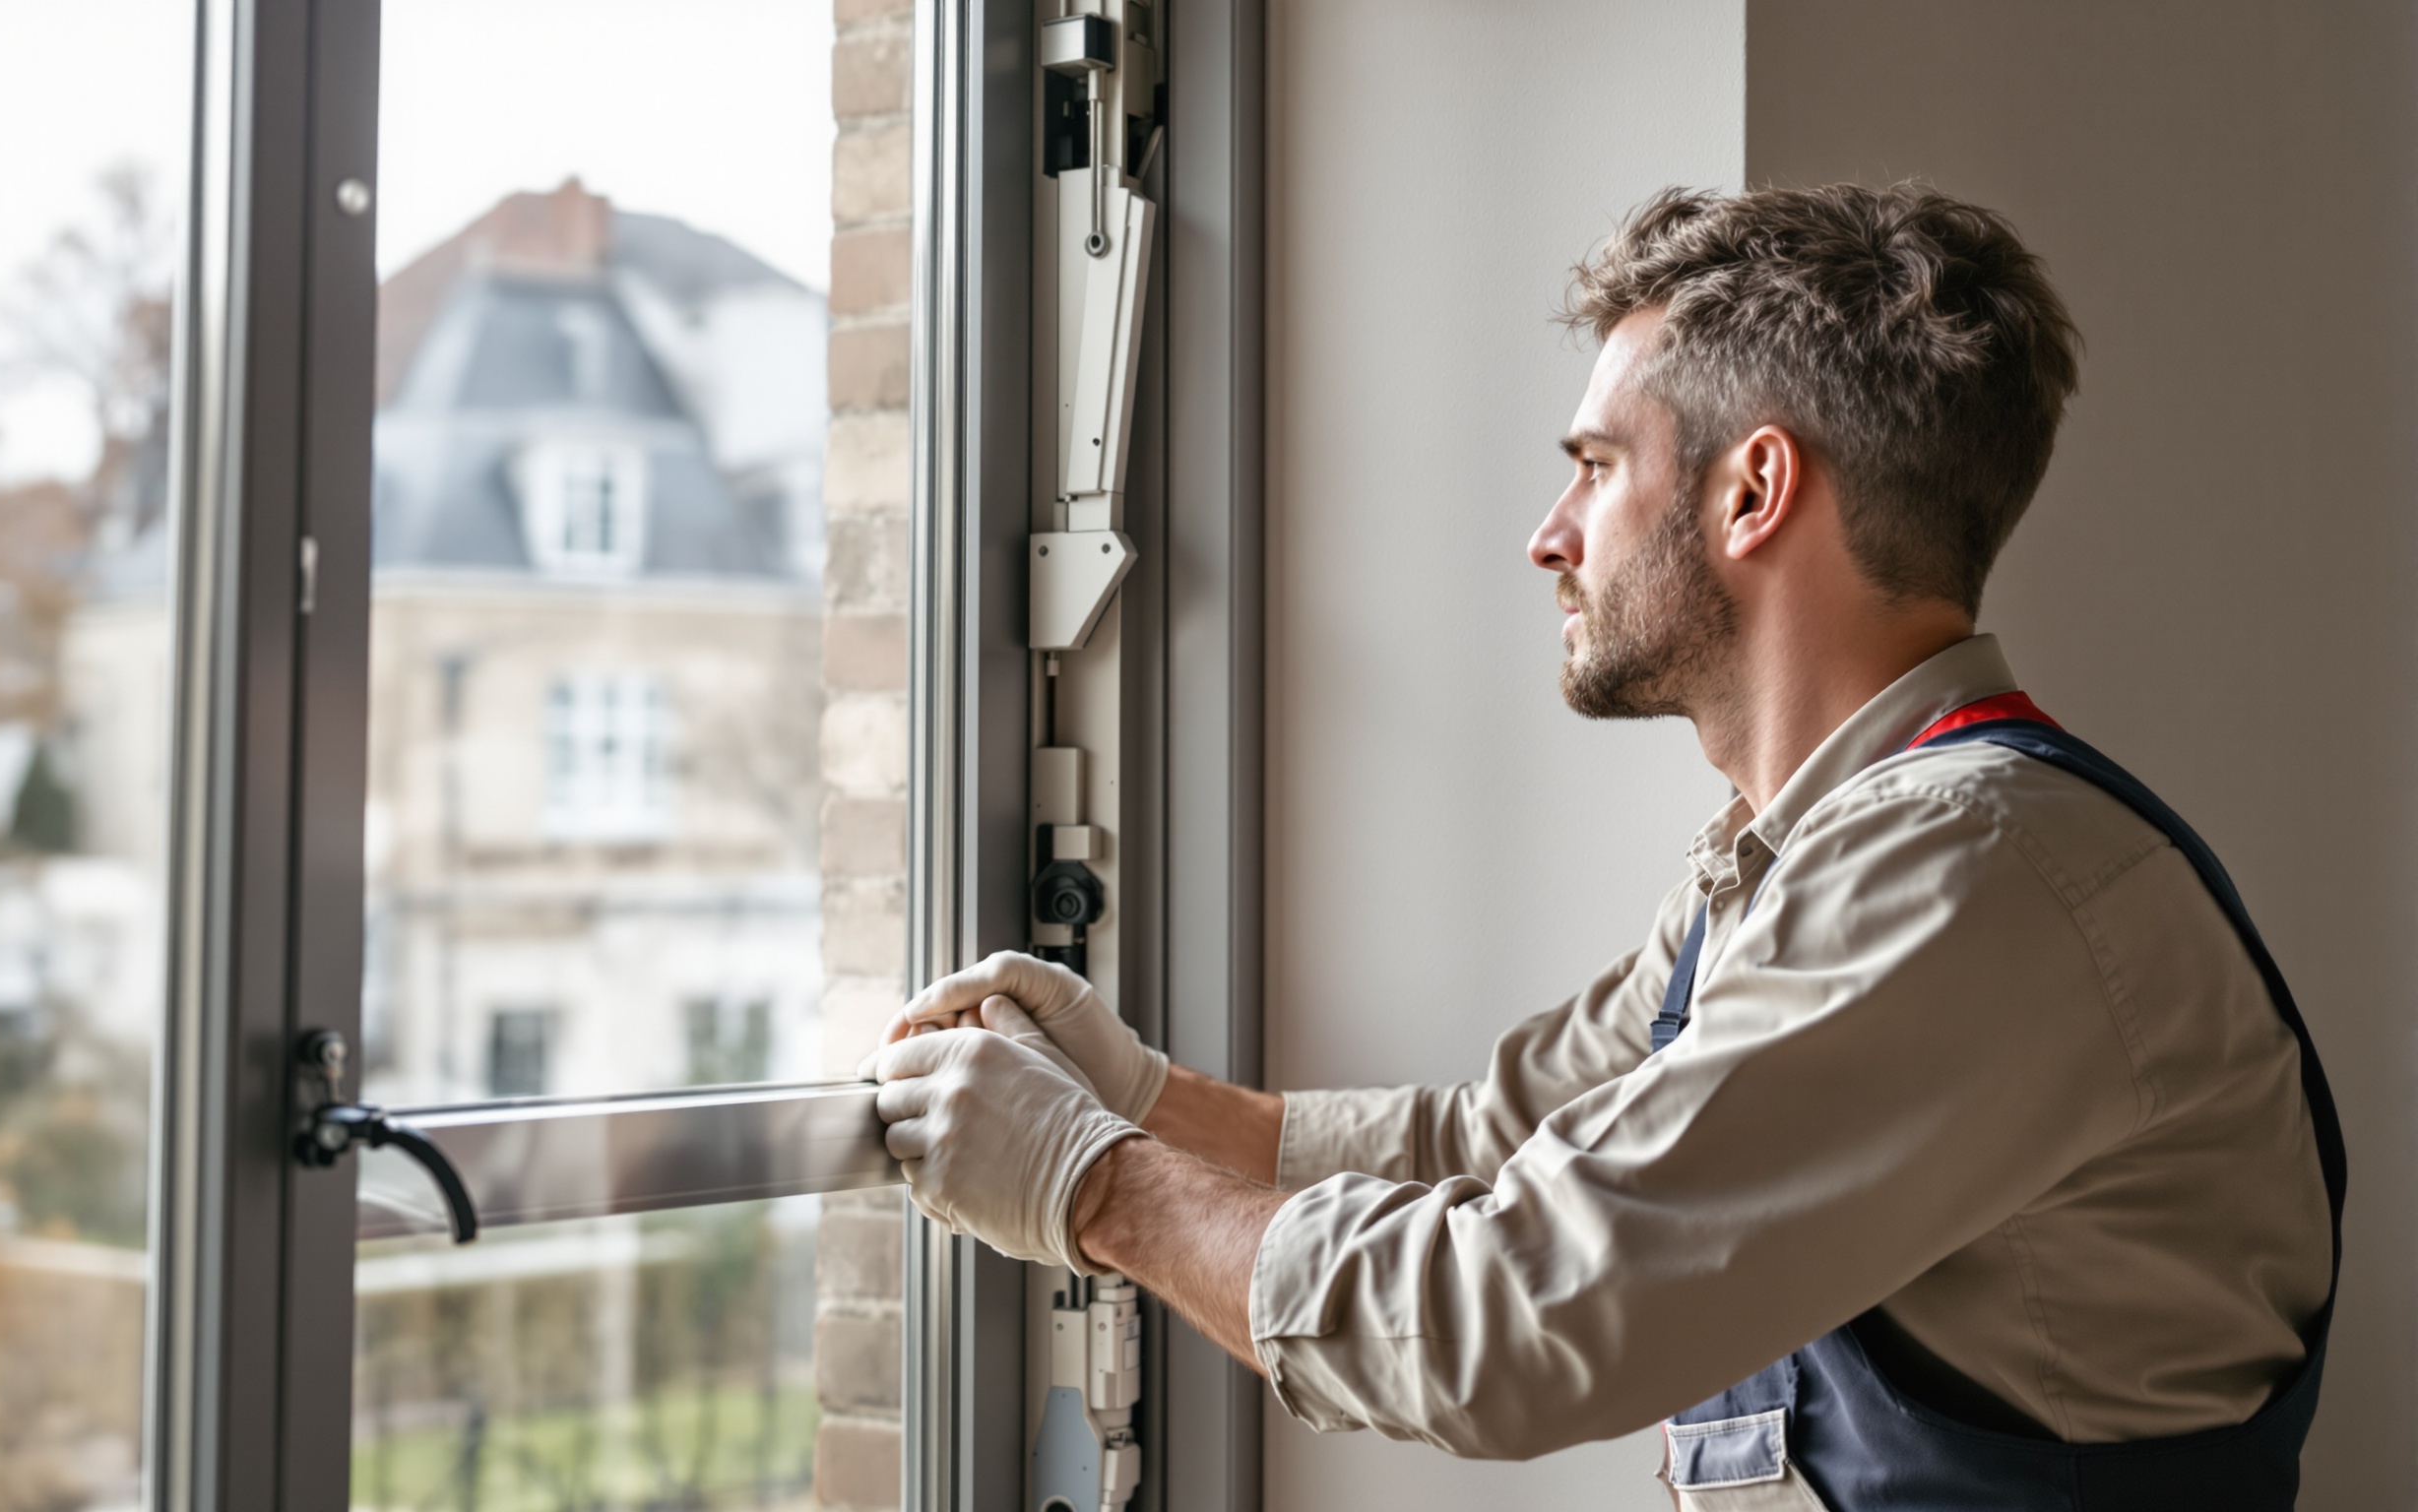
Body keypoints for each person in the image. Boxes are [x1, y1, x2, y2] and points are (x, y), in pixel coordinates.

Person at [863, 183, 2342, 1509]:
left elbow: (1515, 1320)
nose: (1549, 535)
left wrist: (1099, 1185)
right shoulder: (1808, 857)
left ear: (1751, 493)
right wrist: (1148, 1097)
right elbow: (1496, 1148)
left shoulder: (1970, 876)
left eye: (1594, 464)